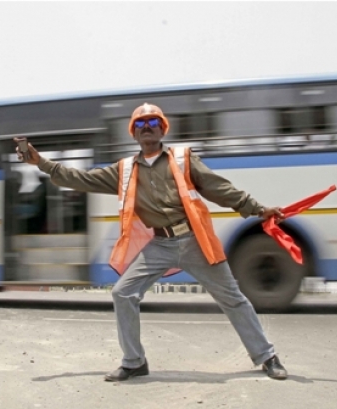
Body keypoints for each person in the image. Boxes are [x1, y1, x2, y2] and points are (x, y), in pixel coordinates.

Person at [14, 103, 289, 382]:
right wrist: (41, 163)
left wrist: (257, 208)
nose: (147, 128)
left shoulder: (183, 159)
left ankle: (267, 357)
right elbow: (81, 179)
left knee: (233, 298)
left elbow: (219, 188)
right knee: (123, 293)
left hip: (195, 241)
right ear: (134, 133)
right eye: (141, 124)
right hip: (159, 245)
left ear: (163, 129)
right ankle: (134, 361)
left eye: (153, 123)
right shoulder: (124, 171)